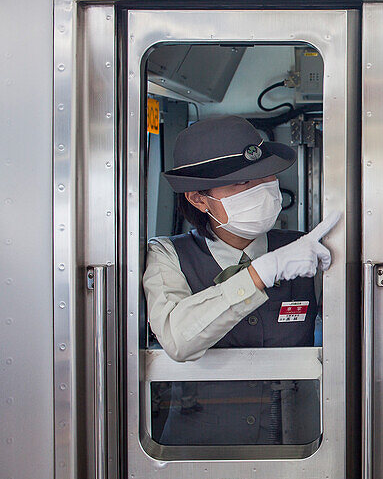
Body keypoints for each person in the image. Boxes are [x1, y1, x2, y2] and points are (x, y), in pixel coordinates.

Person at [143, 115, 340, 445]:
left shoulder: (307, 250)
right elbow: (178, 339)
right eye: (241, 184)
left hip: (300, 440)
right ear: (198, 198)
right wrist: (261, 273)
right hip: (197, 448)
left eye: (265, 177)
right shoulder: (167, 255)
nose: (260, 189)